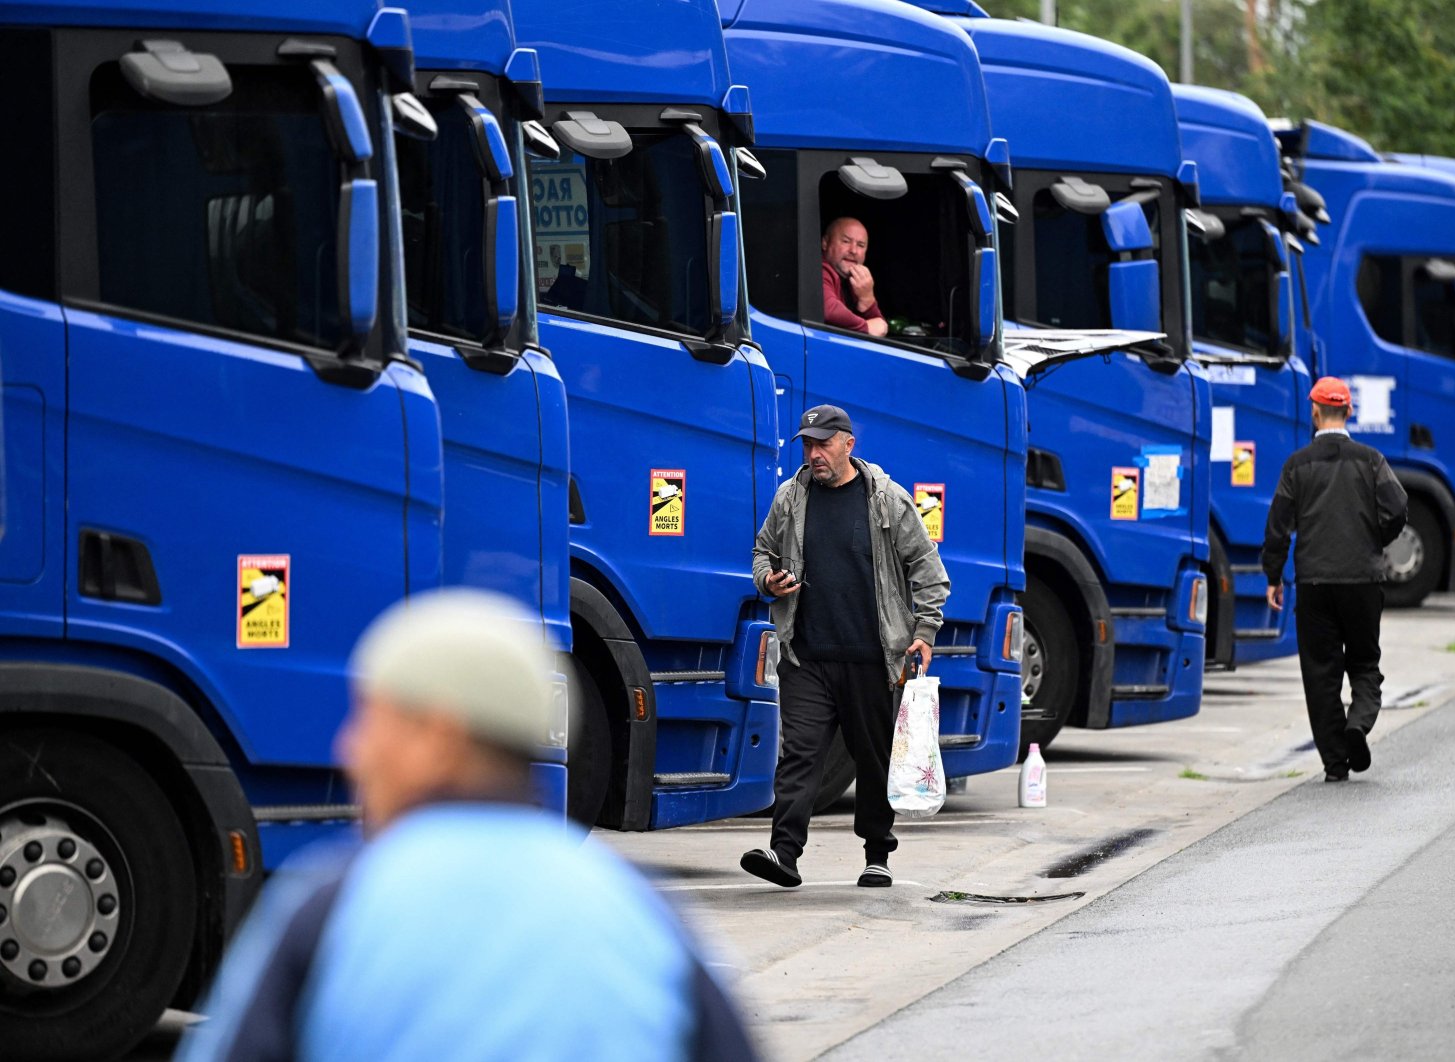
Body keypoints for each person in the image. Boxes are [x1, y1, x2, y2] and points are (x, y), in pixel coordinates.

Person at [179, 588, 757, 1062]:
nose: (349, 749)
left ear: (439, 738)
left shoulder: (333, 907)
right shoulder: (639, 915)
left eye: (371, 721)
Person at [741, 405, 949, 888]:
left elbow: (929, 572)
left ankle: (877, 854)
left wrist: (924, 631)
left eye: (822, 444)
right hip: (806, 656)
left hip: (872, 661)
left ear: (848, 445)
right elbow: (760, 552)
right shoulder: (791, 498)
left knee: (873, 759)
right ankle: (784, 855)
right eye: (807, 445)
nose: (814, 454)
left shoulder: (887, 501)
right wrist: (768, 581)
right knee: (799, 756)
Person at [1263, 377, 1408, 783]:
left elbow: (1277, 527)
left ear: (1314, 411)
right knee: (1364, 664)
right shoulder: (1371, 459)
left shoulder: (1297, 465)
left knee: (1320, 673)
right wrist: (1376, 540)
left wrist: (1273, 575)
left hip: (1314, 584)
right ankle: (1357, 725)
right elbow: (1398, 507)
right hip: (1363, 580)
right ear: (1349, 411)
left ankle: (1334, 764)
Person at [821, 217, 889, 337]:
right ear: (825, 243)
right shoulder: (819, 269)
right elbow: (828, 310)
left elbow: (879, 327)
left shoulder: (853, 280)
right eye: (846, 241)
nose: (853, 250)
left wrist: (867, 299)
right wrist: (865, 327)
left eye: (860, 245)